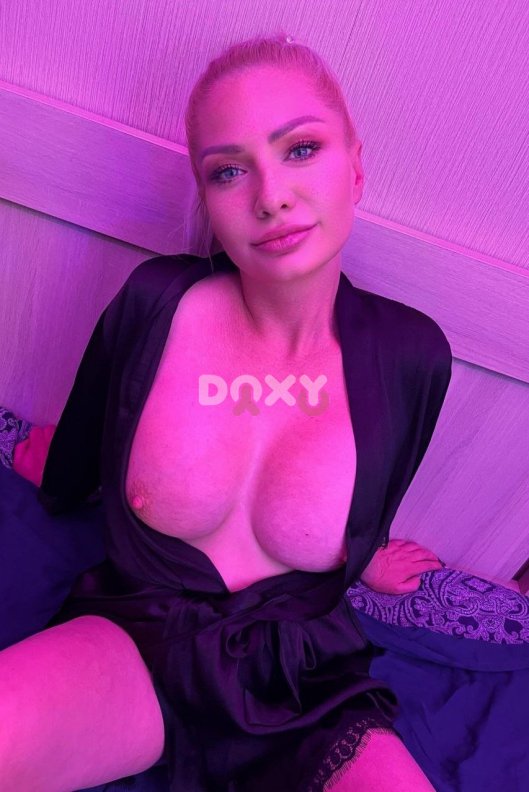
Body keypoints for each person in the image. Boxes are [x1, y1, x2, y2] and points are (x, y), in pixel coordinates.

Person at [0, 34, 451, 791]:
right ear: (206, 197)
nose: (270, 196)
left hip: (306, 682)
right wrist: (54, 465)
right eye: (229, 170)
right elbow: (84, 438)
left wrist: (365, 556)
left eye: (300, 149)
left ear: (355, 168)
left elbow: (371, 491)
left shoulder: (412, 355)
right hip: (140, 639)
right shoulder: (155, 303)